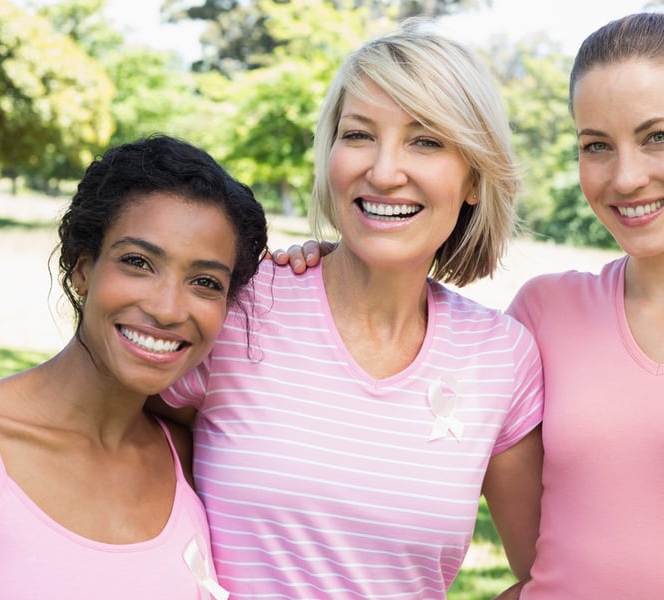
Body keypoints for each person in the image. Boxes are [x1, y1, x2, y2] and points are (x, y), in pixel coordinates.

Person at [274, 12, 664, 600]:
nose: (627, 176)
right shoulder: (542, 317)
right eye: (596, 146)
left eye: (657, 136)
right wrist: (337, 262)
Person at [159, 20, 545, 598]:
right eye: (360, 135)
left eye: (427, 140)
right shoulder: (242, 306)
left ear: (474, 178)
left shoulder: (501, 357)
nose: (384, 172)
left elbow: (550, 574)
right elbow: (103, 460)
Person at [0, 134, 268, 600]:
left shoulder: (188, 458)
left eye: (205, 282)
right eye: (138, 262)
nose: (167, 309)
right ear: (83, 269)